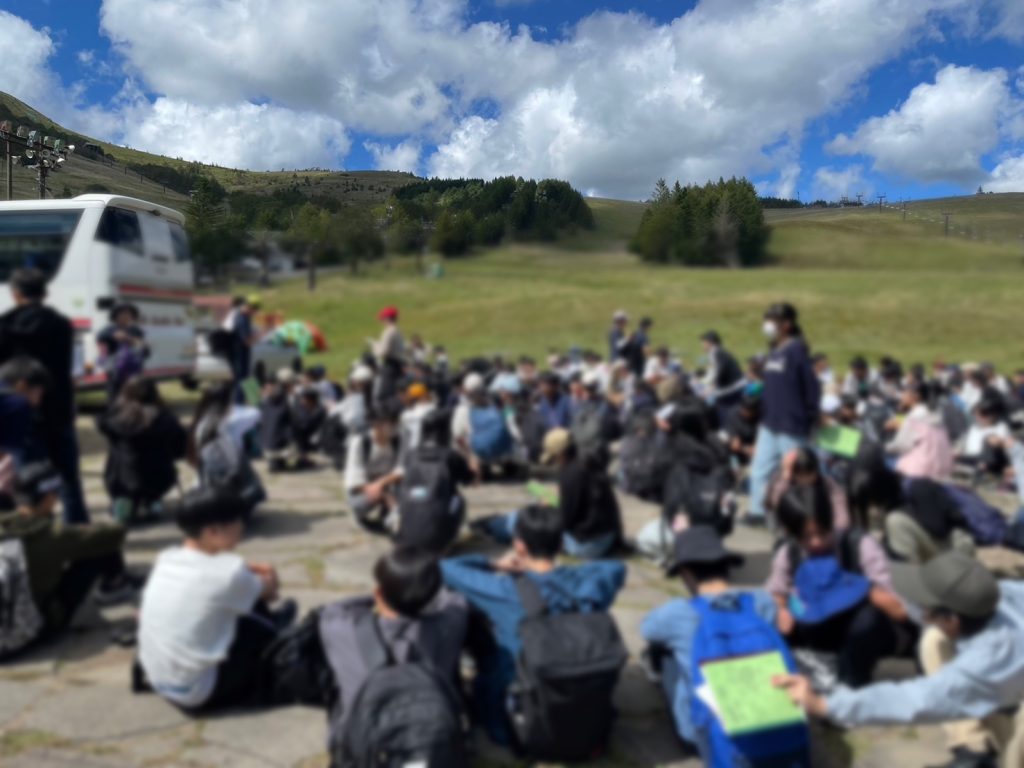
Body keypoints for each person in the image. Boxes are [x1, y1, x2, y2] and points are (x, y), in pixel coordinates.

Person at [776, 553, 1024, 768]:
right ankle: (974, 748)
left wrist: (824, 704)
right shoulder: (995, 595)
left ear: (953, 620)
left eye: (926, 605)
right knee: (933, 640)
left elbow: (915, 700)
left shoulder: (986, 662)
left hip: (1011, 676)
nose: (920, 609)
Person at [441, 505, 626, 745]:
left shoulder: (505, 591)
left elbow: (443, 568)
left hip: (522, 719)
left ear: (519, 546)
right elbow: (617, 568)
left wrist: (494, 565)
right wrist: (572, 574)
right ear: (561, 545)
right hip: (578, 689)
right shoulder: (587, 585)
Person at [642, 527, 809, 765]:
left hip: (716, 740)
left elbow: (647, 629)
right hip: (781, 731)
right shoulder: (761, 602)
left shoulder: (678, 612)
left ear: (687, 573)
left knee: (667, 654)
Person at [138, 487, 296, 712]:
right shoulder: (230, 575)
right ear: (213, 531)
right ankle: (276, 630)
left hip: (159, 680)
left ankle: (272, 624)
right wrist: (268, 572)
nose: (242, 527)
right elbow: (270, 589)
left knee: (232, 599)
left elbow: (219, 575)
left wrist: (247, 575)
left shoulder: (166, 558)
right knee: (251, 608)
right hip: (199, 691)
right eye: (237, 521)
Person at [767, 483, 910, 688]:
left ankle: (852, 682)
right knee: (769, 617)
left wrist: (859, 589)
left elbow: (900, 611)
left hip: (860, 632)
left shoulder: (858, 545)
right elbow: (776, 591)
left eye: (822, 533)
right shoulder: (789, 553)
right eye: (806, 537)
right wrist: (781, 609)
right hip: (816, 626)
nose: (816, 542)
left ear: (831, 521)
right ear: (792, 534)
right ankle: (804, 672)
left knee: (868, 619)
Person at [319, 547, 468, 739]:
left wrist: (380, 597)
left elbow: (333, 609)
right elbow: (453, 598)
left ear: (378, 592)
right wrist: (414, 594)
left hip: (365, 741)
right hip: (430, 733)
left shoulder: (340, 628)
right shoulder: (452, 621)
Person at [3, 462, 137, 639]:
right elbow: (113, 535)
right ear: (49, 497)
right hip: (36, 629)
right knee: (97, 543)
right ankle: (115, 586)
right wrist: (118, 518)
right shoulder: (52, 535)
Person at [0, 268, 87, 524]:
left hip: (19, 409)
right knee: (69, 478)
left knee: (27, 478)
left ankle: (36, 534)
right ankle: (76, 533)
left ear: (15, 294)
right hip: (58, 407)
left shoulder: (4, 325)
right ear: (45, 293)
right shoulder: (61, 325)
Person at [747, 303, 820, 526]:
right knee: (760, 468)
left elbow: (811, 387)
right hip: (770, 421)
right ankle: (757, 511)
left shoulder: (796, 349)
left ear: (786, 325)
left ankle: (799, 513)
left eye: (773, 320)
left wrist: (810, 415)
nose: (767, 325)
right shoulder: (774, 350)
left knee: (796, 472)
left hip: (791, 422)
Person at [847, 451, 975, 565]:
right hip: (939, 547)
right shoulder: (896, 496)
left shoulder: (917, 488)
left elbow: (938, 528)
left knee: (895, 522)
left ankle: (914, 578)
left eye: (872, 502)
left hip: (956, 548)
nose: (873, 509)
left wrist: (909, 515)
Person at [97, 377, 188, 523]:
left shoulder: (116, 420)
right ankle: (152, 502)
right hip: (160, 477)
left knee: (119, 454)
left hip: (122, 478)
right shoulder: (166, 418)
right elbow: (180, 448)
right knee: (154, 471)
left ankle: (124, 502)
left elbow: (102, 423)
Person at [395, 408, 475, 553]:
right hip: (436, 541)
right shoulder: (450, 456)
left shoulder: (411, 454)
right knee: (459, 499)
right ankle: (451, 537)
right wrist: (469, 456)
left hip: (405, 536)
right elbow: (469, 480)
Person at [344, 410, 403, 534]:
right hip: (364, 488)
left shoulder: (397, 441)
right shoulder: (360, 442)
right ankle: (360, 517)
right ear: (378, 426)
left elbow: (402, 469)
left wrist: (381, 483)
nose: (395, 427)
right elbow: (353, 477)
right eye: (391, 424)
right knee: (363, 502)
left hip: (388, 484)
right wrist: (379, 490)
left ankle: (389, 516)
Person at [887, 380, 954, 481]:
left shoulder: (915, 417)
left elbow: (901, 445)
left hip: (920, 470)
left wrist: (882, 448)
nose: (901, 396)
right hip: (941, 467)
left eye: (904, 393)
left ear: (915, 396)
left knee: (882, 459)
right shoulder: (935, 413)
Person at [96, 302, 149, 400]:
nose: (127, 315)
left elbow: (144, 349)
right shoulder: (109, 329)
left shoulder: (136, 330)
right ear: (116, 315)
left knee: (135, 398)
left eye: (129, 313)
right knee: (116, 398)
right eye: (124, 313)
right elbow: (100, 338)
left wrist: (132, 341)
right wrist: (115, 337)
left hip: (134, 371)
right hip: (116, 371)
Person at [700, 330, 746, 425]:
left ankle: (726, 431)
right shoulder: (719, 352)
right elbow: (714, 372)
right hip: (736, 387)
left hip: (731, 389)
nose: (702, 345)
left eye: (703, 342)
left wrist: (710, 389)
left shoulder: (716, 352)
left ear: (710, 342)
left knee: (723, 411)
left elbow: (720, 371)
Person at [259, 369, 295, 472]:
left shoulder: (266, 399)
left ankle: (276, 461)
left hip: (265, 444)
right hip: (279, 445)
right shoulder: (285, 399)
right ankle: (283, 458)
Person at [371, 305, 405, 407]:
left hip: (390, 364)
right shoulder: (398, 331)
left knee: (384, 394)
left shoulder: (388, 331)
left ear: (388, 319)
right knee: (394, 391)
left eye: (383, 319)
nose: (382, 322)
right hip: (398, 363)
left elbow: (384, 351)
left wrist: (375, 347)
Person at [228, 296, 259, 400]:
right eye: (254, 310)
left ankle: (254, 401)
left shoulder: (245, 317)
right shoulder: (241, 319)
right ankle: (238, 406)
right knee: (240, 381)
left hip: (243, 355)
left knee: (246, 378)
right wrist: (260, 336)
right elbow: (247, 341)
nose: (254, 313)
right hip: (239, 356)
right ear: (249, 307)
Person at [290, 386, 327, 470]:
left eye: (305, 399)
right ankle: (302, 459)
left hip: (310, 435)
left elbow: (314, 423)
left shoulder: (319, 410)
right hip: (299, 435)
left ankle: (303, 459)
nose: (302, 401)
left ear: (312, 400)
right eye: (302, 398)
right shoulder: (298, 407)